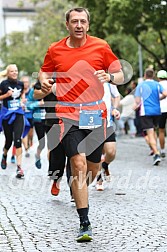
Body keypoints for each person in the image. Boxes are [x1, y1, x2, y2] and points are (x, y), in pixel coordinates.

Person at [38, 7, 124, 242]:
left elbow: (120, 74)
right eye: (74, 21)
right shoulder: (55, 49)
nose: (78, 25)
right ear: (67, 24)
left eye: (82, 21)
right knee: (78, 163)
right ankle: (85, 222)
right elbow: (44, 72)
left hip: (96, 115)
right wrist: (45, 83)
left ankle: (78, 186)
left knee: (92, 168)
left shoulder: (101, 46)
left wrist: (110, 77)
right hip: (67, 114)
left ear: (88, 24)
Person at [0, 64, 30, 178]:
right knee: (9, 140)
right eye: (12, 71)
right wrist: (6, 95)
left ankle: (19, 168)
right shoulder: (3, 84)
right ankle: (4, 155)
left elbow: (22, 93)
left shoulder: (20, 84)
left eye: (16, 71)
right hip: (7, 114)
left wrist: (23, 99)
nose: (14, 73)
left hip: (18, 113)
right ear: (8, 73)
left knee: (18, 140)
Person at [134, 68, 167, 166]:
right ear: (153, 76)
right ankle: (156, 149)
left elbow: (137, 100)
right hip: (157, 111)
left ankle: (156, 153)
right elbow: (165, 94)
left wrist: (138, 104)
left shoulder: (141, 85)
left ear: (145, 75)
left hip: (146, 112)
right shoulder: (157, 84)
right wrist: (159, 98)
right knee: (155, 130)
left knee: (150, 132)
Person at [96, 83, 120, 191]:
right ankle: (99, 179)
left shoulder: (109, 81)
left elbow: (117, 96)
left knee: (111, 152)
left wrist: (114, 108)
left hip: (107, 122)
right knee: (97, 153)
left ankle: (104, 165)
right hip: (92, 123)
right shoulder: (86, 77)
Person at [157, 70, 167, 158]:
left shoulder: (157, 85)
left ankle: (162, 150)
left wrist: (159, 99)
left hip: (161, 110)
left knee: (161, 130)